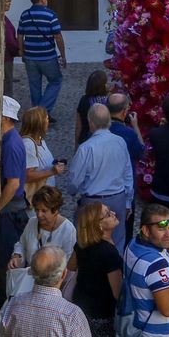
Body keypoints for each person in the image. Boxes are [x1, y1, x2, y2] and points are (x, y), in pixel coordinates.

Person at [70, 202, 125, 337]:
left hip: (80, 308)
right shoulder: (108, 253)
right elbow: (117, 292)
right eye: (107, 214)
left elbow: (71, 267)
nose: (113, 213)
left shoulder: (82, 245)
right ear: (98, 225)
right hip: (100, 315)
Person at [65, 104, 135, 249]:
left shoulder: (86, 148)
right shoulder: (120, 142)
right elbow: (128, 174)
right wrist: (128, 202)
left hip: (93, 202)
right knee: (117, 244)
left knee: (88, 242)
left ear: (91, 123)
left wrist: (72, 191)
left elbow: (74, 179)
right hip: (118, 198)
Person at [0, 96, 32, 303]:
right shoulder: (11, 139)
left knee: (7, 265)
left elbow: (13, 184)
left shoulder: (10, 144)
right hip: (12, 211)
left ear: (3, 117)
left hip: (10, 214)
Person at [17, 0, 67, 113]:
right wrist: (63, 55)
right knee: (56, 81)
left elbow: (20, 35)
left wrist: (21, 52)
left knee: (34, 86)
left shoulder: (25, 15)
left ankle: (36, 115)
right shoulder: (50, 15)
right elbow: (58, 36)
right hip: (48, 57)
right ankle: (42, 111)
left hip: (30, 57)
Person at [10, 186, 78, 275]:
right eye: (37, 210)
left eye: (44, 211)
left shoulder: (67, 230)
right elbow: (22, 244)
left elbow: (68, 262)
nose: (39, 215)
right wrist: (17, 257)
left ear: (55, 210)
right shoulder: (32, 223)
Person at [21, 106, 64, 194]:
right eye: (46, 118)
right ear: (39, 123)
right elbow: (28, 175)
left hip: (46, 194)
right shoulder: (28, 144)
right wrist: (51, 171)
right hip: (37, 196)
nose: (48, 121)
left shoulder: (40, 140)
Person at [106, 92, 146, 167]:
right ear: (124, 111)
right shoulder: (129, 134)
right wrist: (135, 126)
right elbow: (141, 152)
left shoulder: (97, 129)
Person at [73, 68, 110, 144]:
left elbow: (78, 126)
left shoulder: (84, 100)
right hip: (106, 140)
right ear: (103, 85)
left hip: (86, 139)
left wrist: (76, 145)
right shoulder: (108, 101)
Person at [3, 0, 19, 97]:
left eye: (10, 1)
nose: (10, 3)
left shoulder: (5, 18)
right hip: (6, 57)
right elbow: (9, 40)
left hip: (7, 56)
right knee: (7, 86)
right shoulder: (3, 20)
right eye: (7, 1)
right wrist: (18, 50)